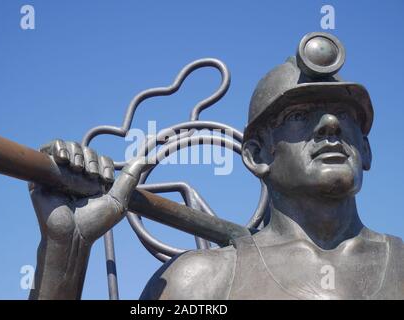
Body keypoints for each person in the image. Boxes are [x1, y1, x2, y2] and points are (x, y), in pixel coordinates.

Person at [29, 32, 404, 300]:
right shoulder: (199, 284)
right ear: (256, 155)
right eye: (299, 115)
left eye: (343, 113)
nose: (330, 125)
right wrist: (65, 253)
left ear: (366, 151)